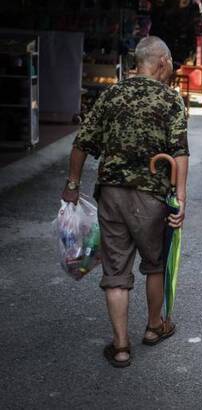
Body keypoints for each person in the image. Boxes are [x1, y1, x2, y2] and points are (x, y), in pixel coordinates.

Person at [61, 36, 189, 368]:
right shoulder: (170, 99)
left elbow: (82, 143)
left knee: (116, 270)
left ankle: (120, 346)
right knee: (155, 263)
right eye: (171, 62)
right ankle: (153, 327)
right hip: (152, 196)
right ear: (161, 62)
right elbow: (180, 152)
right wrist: (181, 199)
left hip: (112, 193)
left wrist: (72, 185)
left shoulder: (111, 94)